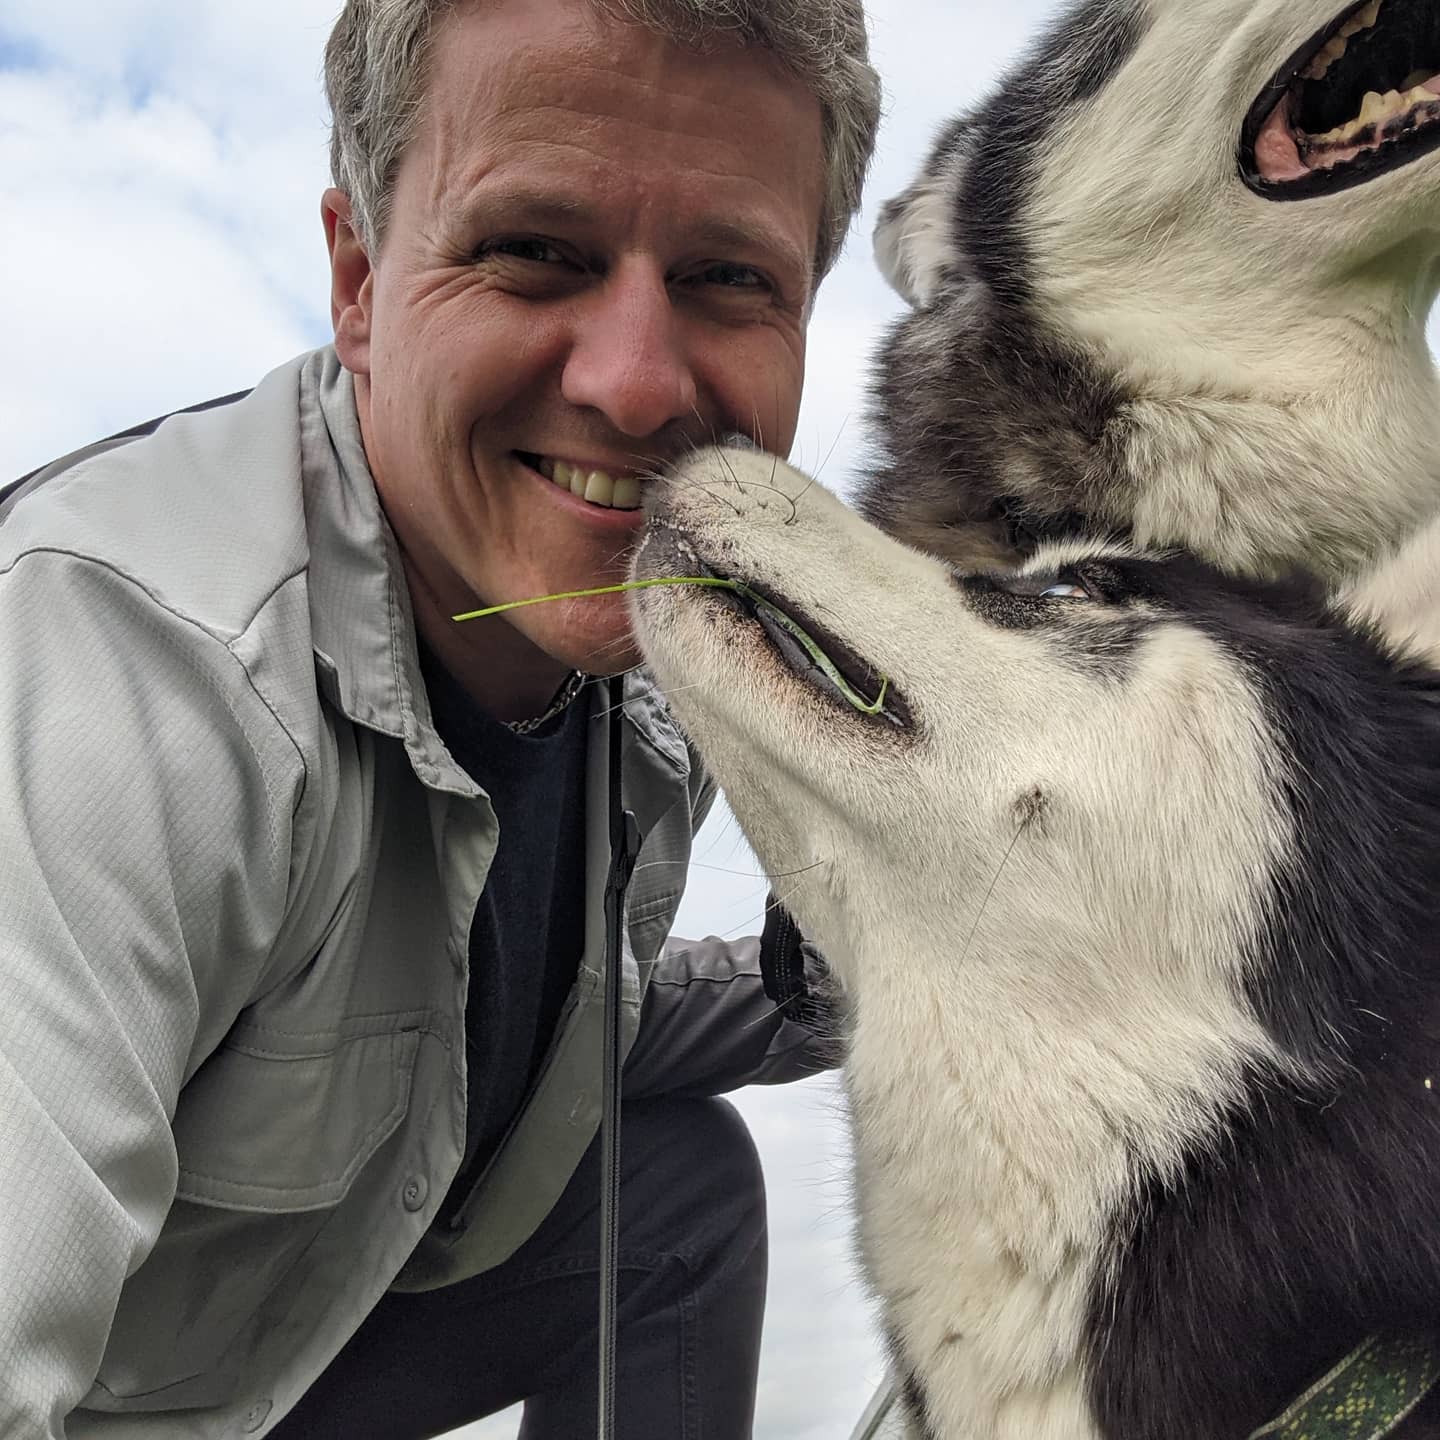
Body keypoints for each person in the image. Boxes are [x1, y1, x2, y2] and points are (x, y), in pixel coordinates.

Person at [0, 0, 880, 1436]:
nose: (639, 384)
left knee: (678, 1189)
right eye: (537, 252)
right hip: (132, 1395)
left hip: (319, 1317)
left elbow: (560, 1022)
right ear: (357, 280)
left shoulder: (672, 645)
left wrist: (928, 971)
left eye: (727, 277)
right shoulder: (121, 669)